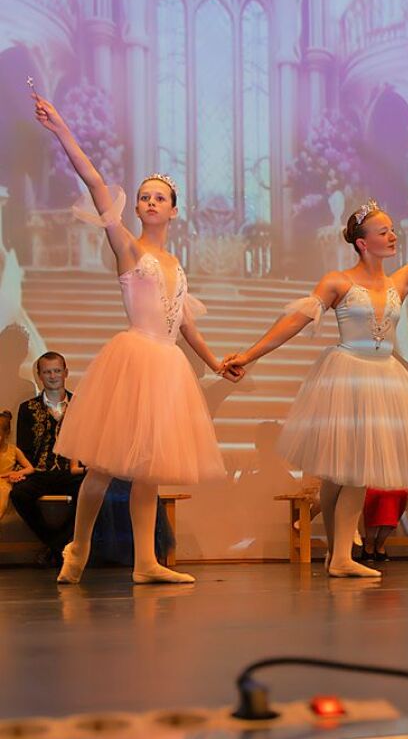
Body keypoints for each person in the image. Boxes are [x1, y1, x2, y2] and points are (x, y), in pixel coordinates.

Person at [221, 175, 408, 578]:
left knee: (355, 468)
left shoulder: (398, 282)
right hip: (346, 376)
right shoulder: (338, 281)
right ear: (362, 242)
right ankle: (339, 555)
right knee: (344, 469)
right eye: (384, 231)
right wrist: (249, 355)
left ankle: (339, 555)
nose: (393, 237)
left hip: (384, 378)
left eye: (392, 230)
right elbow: (295, 320)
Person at [32, 92, 240, 584]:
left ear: (173, 211)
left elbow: (184, 323)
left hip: (167, 365)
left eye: (158, 198)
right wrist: (62, 128)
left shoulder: (176, 264)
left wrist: (213, 363)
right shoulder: (127, 247)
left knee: (148, 471)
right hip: (133, 359)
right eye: (144, 196)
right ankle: (77, 549)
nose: (148, 202)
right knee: (104, 466)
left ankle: (146, 563)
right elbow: (97, 184)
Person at [9, 352, 84, 564]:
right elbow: (23, 448)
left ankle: (55, 546)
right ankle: (57, 544)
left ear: (66, 373)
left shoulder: (81, 405)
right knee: (19, 494)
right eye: (47, 372)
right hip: (40, 473)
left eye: (57, 371)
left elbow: (88, 442)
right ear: (39, 376)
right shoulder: (27, 408)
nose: (53, 376)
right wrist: (21, 472)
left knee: (91, 492)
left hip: (70, 473)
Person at [0, 410, 34, 525]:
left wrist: (15, 473)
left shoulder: (13, 450)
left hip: (4, 484)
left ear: (7, 433)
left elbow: (30, 468)